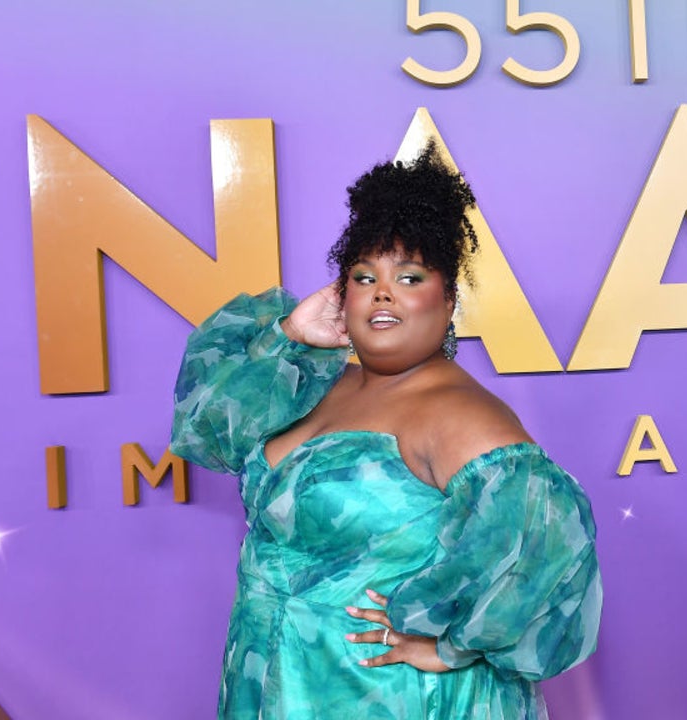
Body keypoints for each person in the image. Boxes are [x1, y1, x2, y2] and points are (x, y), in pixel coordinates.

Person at [169, 143, 601, 719]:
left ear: (449, 300)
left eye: (409, 277)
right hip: (269, 677)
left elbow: (546, 550)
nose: (382, 291)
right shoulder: (314, 383)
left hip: (383, 696)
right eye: (364, 276)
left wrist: (450, 649)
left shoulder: (463, 415)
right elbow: (205, 428)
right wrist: (289, 335)